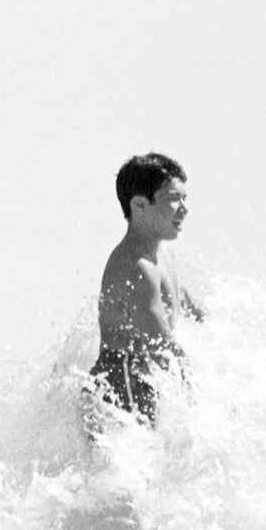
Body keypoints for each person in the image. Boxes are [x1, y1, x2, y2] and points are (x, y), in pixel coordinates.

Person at [90, 153, 202, 423]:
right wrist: (201, 391)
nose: (184, 209)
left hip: (142, 379)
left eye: (185, 198)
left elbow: (196, 317)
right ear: (139, 204)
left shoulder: (164, 257)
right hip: (120, 383)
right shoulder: (136, 268)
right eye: (174, 199)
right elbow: (160, 343)